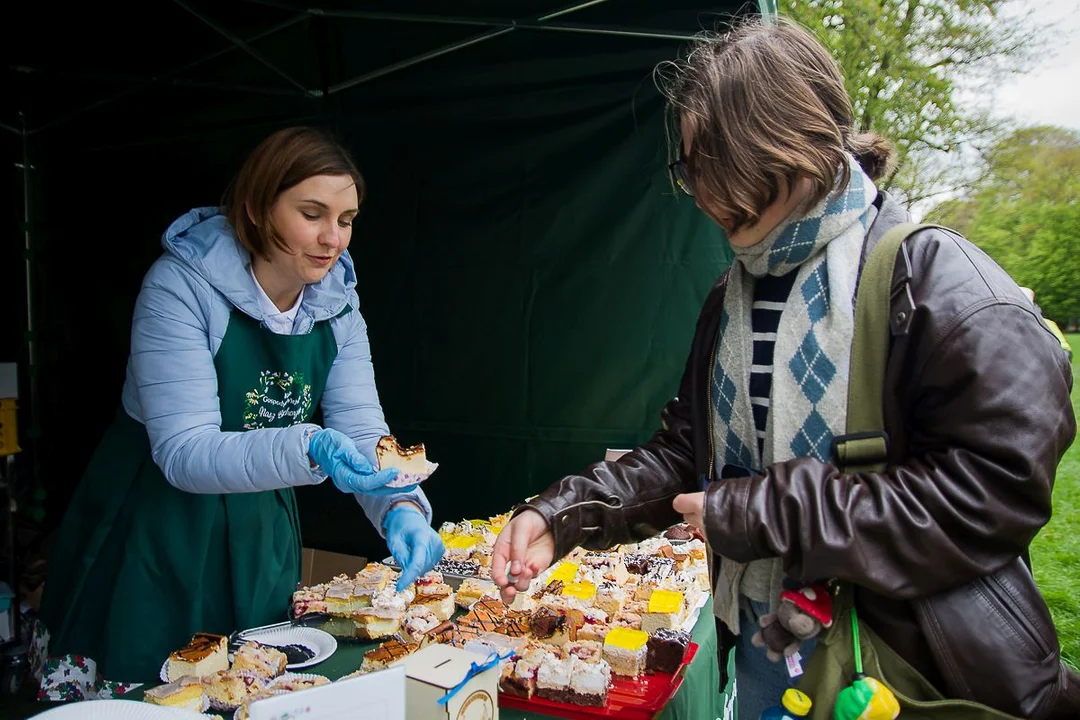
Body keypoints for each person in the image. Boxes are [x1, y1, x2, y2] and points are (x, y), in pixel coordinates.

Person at [491, 18, 1076, 719]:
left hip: (908, 672)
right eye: (690, 166)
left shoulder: (940, 284)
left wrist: (770, 511)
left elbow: (993, 491)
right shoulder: (731, 295)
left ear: (791, 143)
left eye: (715, 161)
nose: (702, 191)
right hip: (773, 648)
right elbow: (687, 452)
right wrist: (566, 515)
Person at [31, 127, 445, 697]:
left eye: (346, 219)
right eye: (312, 213)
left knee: (251, 688)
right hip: (157, 526)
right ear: (257, 209)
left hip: (258, 527)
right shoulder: (179, 288)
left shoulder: (339, 310)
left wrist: (400, 506)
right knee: (157, 689)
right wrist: (309, 445)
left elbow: (366, 435)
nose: (334, 238)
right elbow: (183, 452)